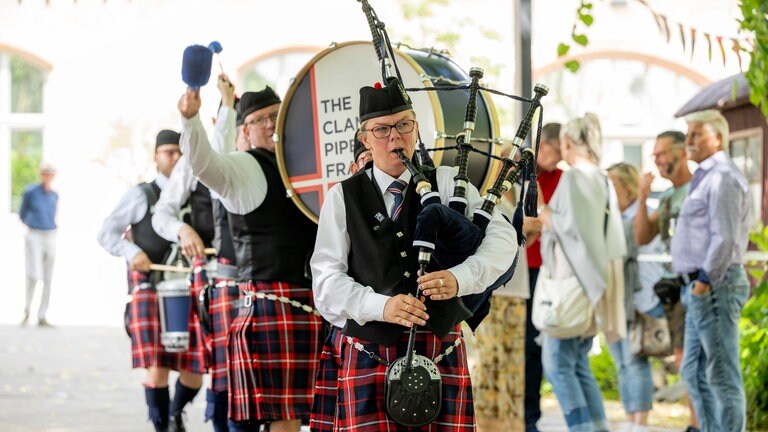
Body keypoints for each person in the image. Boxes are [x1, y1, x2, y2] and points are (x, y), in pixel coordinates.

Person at [311, 80, 517, 431]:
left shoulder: (450, 183)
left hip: (440, 350)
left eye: (404, 125)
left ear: (416, 128)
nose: (395, 137)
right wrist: (381, 306)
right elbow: (326, 283)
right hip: (371, 354)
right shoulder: (342, 197)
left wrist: (460, 278)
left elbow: (503, 240)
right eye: (382, 129)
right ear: (365, 139)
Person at [177, 86, 323, 432]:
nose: (271, 124)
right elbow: (203, 163)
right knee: (280, 420)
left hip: (315, 303)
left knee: (307, 418)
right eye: (261, 120)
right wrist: (190, 120)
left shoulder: (306, 167)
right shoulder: (245, 167)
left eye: (277, 116)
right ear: (246, 131)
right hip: (272, 304)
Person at [97, 130, 205, 432]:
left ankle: (174, 414)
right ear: (155, 157)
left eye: (178, 152)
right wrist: (132, 252)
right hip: (151, 291)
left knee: (196, 368)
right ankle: (162, 427)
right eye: (167, 152)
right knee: (157, 370)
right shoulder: (141, 195)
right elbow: (106, 232)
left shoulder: (196, 194)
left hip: (190, 291)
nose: (174, 158)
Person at [152, 74, 237, 432]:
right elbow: (162, 215)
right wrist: (181, 229)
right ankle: (178, 418)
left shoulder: (254, 160)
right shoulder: (191, 165)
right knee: (214, 365)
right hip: (209, 277)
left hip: (253, 277)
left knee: (239, 369)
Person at [538, 113, 626, 432]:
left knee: (558, 364)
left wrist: (544, 213)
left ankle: (582, 428)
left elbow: (572, 230)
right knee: (576, 363)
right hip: (592, 281)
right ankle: (597, 427)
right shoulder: (599, 176)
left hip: (571, 283)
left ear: (567, 142)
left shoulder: (576, 176)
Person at [671, 110, 750, 432]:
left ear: (717, 137)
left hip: (715, 286)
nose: (689, 141)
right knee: (693, 371)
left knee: (722, 377)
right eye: (687, 134)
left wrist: (703, 282)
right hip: (699, 289)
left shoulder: (723, 177)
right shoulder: (705, 176)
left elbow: (726, 236)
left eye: (697, 134)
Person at [633, 130, 699, 432]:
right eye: (654, 155)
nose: (657, 160)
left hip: (700, 285)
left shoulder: (699, 189)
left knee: (700, 360)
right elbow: (642, 236)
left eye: (661, 153)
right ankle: (695, 423)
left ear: (682, 151)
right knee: (686, 359)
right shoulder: (670, 196)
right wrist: (643, 196)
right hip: (677, 290)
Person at [473, 158, 542, 431]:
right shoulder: (485, 195)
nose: (514, 169)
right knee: (491, 362)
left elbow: (526, 238)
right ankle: (489, 423)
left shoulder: (516, 194)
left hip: (517, 287)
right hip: (495, 290)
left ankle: (511, 423)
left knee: (513, 362)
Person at [607, 162, 665, 432]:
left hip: (640, 298)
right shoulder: (613, 218)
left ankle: (639, 423)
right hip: (617, 299)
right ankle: (631, 419)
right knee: (621, 362)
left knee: (634, 360)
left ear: (628, 188)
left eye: (613, 185)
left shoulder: (643, 215)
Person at [524, 122, 562, 432]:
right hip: (516, 270)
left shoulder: (561, 178)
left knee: (536, 346)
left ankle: (531, 418)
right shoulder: (517, 171)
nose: (559, 157)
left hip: (544, 271)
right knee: (520, 345)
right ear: (543, 144)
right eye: (557, 150)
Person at [19, 163, 59, 327]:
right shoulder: (30, 192)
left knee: (48, 277)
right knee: (34, 274)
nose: (48, 176)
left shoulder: (54, 195)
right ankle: (27, 309)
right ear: (40, 174)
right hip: (34, 234)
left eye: (51, 174)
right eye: (45, 173)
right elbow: (22, 213)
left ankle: (42, 314)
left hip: (50, 234)